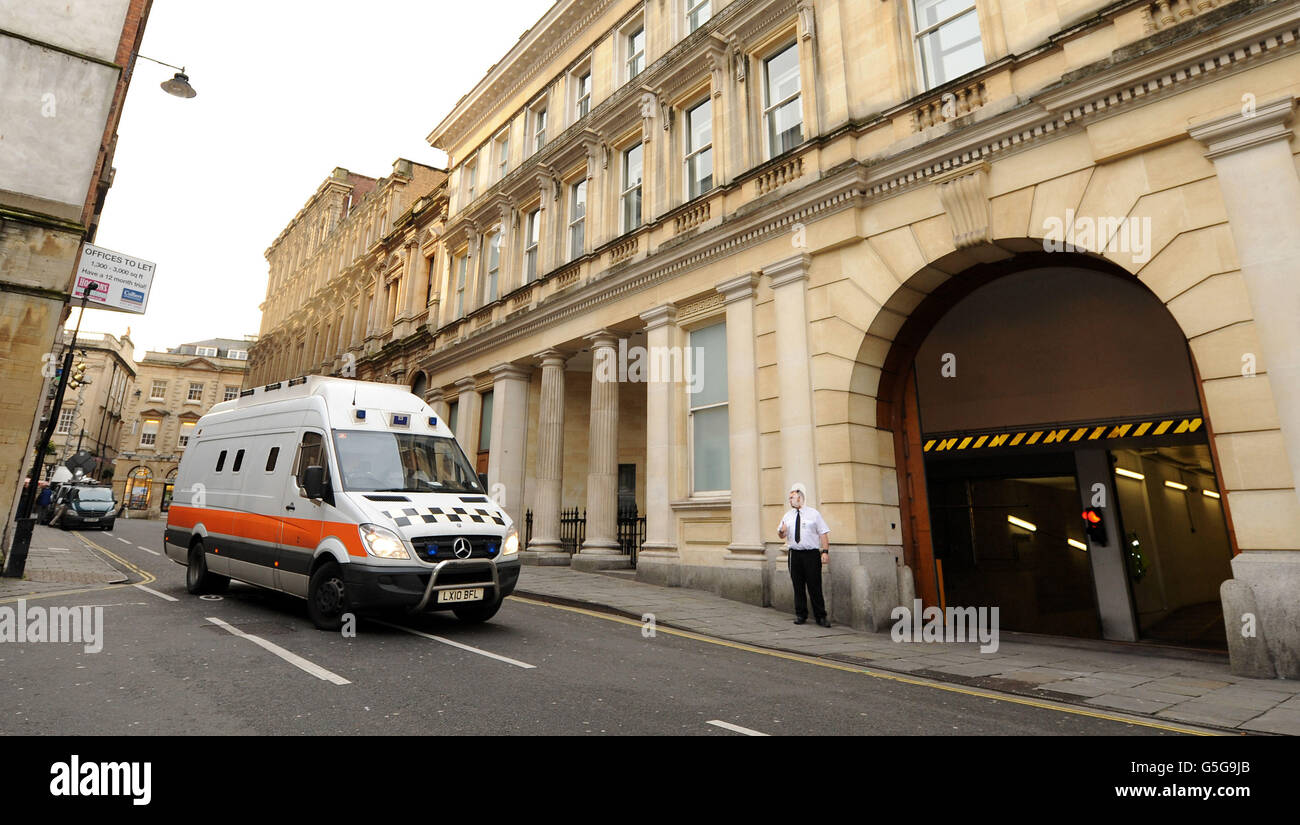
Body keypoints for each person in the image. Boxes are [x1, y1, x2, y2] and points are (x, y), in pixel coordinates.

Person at [777, 482, 831, 627]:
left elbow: (823, 533)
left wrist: (825, 552)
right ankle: (801, 614)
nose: (790, 500)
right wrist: (782, 531)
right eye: (789, 498)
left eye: (792, 497)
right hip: (794, 555)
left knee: (815, 586)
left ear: (800, 498)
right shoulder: (787, 515)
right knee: (798, 586)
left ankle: (821, 616)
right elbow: (781, 536)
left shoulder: (814, 514)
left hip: (811, 555)